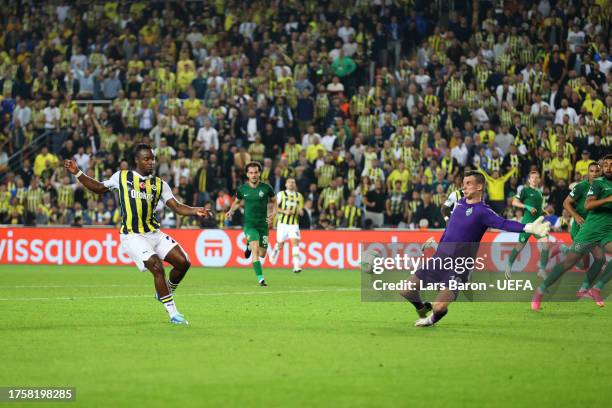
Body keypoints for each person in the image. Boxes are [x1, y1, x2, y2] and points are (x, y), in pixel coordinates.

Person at [64, 144, 211, 325]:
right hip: (132, 235)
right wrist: (78, 173)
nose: (151, 162)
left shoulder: (159, 184)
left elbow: (177, 207)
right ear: (137, 160)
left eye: (152, 159)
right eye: (146, 159)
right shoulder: (122, 177)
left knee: (184, 262)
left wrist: (196, 210)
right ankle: (174, 314)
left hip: (153, 233)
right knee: (156, 266)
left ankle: (164, 292)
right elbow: (99, 188)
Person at [399, 171, 551, 327]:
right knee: (406, 290)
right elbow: (450, 229)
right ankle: (422, 307)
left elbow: (504, 223)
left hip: (459, 266)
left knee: (439, 307)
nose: (464, 187)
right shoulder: (459, 203)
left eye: (468, 183)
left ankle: (431, 319)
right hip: (440, 259)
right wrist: (437, 246)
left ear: (479, 186)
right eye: (463, 183)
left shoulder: (482, 211)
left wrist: (528, 227)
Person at [532, 155, 612, 310]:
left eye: (610, 165)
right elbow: (585, 205)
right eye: (605, 165)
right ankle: (541, 290)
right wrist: (606, 200)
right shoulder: (594, 184)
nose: (607, 168)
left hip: (607, 231)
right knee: (573, 262)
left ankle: (594, 289)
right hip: (587, 229)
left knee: (599, 259)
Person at [226, 162, 277, 286]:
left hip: (263, 224)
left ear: (259, 173)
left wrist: (274, 213)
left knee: (262, 253)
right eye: (251, 173)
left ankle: (248, 245)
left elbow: (275, 201)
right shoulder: (242, 189)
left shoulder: (266, 188)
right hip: (250, 225)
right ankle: (261, 279)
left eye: (256, 172)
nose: (253, 175)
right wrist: (231, 210)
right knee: (255, 249)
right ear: (247, 174)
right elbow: (237, 202)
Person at [564, 162, 606, 297]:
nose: (595, 174)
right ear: (588, 173)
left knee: (585, 264)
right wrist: (575, 216)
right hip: (580, 228)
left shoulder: (603, 186)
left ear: (601, 173)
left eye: (597, 171)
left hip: (592, 228)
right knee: (599, 258)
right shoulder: (581, 186)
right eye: (592, 171)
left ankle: (564, 249)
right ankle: (584, 289)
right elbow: (566, 203)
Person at [505, 171, 550, 279]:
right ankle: (508, 265)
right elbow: (514, 202)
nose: (534, 179)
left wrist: (543, 210)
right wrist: (527, 207)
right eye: (532, 178)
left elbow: (536, 206)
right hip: (527, 224)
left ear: (539, 180)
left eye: (537, 177)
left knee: (546, 244)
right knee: (519, 246)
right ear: (529, 180)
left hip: (538, 224)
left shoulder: (539, 192)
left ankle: (542, 270)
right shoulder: (525, 190)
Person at [269, 177, 304, 273]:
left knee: (295, 243)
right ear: (286, 184)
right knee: (280, 244)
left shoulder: (299, 196)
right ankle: (275, 250)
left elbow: (301, 211)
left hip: (294, 224)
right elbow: (275, 207)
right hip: (283, 224)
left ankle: (296, 266)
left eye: (293, 182)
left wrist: (299, 211)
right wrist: (285, 211)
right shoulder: (281, 194)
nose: (291, 184)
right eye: (289, 182)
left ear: (295, 184)